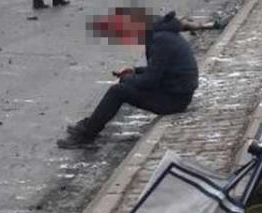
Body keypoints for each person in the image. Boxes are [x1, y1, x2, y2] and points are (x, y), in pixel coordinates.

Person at [58, 9, 199, 149]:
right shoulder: (166, 36)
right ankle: (91, 126)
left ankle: (86, 136)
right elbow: (162, 71)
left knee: (117, 91)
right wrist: (134, 71)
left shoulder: (161, 42)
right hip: (177, 93)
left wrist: (128, 78)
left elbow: (150, 81)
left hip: (173, 101)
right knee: (123, 86)